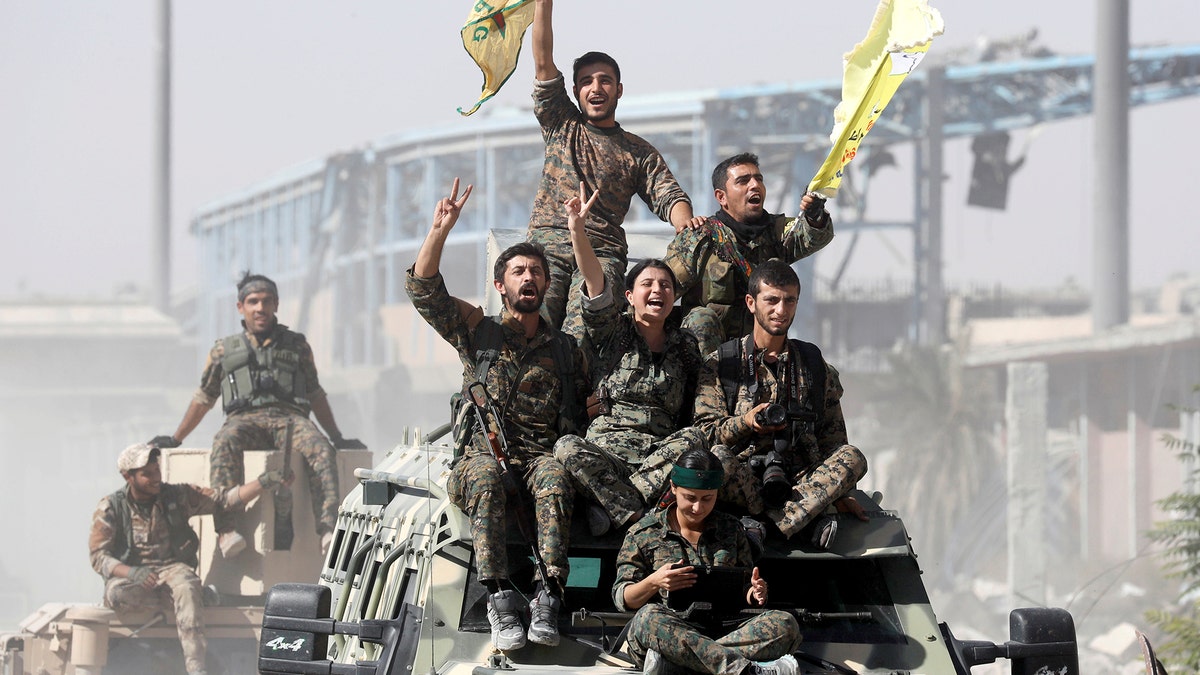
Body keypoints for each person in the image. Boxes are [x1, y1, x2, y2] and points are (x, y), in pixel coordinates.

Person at [406, 178, 588, 650]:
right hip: (478, 460)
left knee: (555, 476)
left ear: (546, 284)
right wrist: (440, 231)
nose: (529, 278)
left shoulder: (565, 349)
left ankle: (548, 595)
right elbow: (425, 291)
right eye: (519, 271)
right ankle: (500, 597)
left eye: (537, 272)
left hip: (536, 460)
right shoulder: (478, 332)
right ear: (500, 285)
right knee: (486, 476)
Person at [150, 272, 364, 558]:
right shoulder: (224, 351)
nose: (260, 308)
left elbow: (315, 393)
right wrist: (176, 438)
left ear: (276, 304)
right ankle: (226, 530)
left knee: (320, 448)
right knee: (224, 441)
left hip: (289, 420)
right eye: (253, 301)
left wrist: (337, 437)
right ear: (240, 307)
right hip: (245, 420)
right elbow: (204, 398)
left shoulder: (297, 345)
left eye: (266, 301)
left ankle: (327, 529)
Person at [527, 0, 699, 338]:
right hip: (549, 245)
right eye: (587, 81)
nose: (596, 88)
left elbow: (669, 195)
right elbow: (543, 61)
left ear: (618, 90)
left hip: (601, 252)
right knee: (532, 326)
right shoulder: (561, 123)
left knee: (586, 332)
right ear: (575, 91)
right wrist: (543, 4)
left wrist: (686, 223)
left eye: (605, 81)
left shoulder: (637, 151)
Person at [552, 185, 707, 537]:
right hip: (606, 455)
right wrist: (578, 231)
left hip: (658, 458)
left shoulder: (684, 346)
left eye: (665, 286)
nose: (657, 291)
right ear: (629, 296)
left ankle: (612, 505)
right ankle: (639, 518)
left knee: (695, 439)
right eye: (647, 284)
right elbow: (595, 283)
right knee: (566, 447)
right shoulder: (613, 330)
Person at [693, 260, 868, 547]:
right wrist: (745, 422)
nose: (781, 310)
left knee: (852, 457)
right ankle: (801, 520)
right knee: (716, 458)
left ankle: (768, 523)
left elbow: (833, 436)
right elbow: (705, 434)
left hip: (800, 480)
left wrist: (842, 491)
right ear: (751, 303)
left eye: (790, 301)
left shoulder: (812, 364)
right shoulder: (723, 363)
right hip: (744, 479)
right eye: (772, 300)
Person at [89, 443, 288, 675]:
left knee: (185, 587)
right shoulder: (112, 507)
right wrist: (131, 572)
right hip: (132, 576)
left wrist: (263, 482)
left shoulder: (177, 496)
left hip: (171, 569)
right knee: (117, 595)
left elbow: (223, 500)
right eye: (147, 474)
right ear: (128, 477)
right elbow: (98, 556)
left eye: (157, 470)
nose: (156, 478)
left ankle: (196, 667)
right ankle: (195, 597)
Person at [613, 448, 801, 675]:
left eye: (707, 499)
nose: (698, 508)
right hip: (672, 628)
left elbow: (744, 587)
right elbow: (623, 598)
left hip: (724, 628)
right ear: (673, 487)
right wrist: (654, 581)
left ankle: (681, 663)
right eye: (690, 498)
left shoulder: (731, 529)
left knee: (785, 624)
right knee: (646, 618)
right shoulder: (643, 533)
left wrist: (754, 593)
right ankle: (745, 671)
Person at [664, 153, 834, 356]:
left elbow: (812, 236)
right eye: (743, 181)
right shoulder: (699, 238)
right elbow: (661, 291)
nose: (755, 185)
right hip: (709, 359)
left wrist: (814, 215)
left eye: (758, 179)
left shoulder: (777, 232)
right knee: (702, 318)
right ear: (721, 197)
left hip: (757, 353)